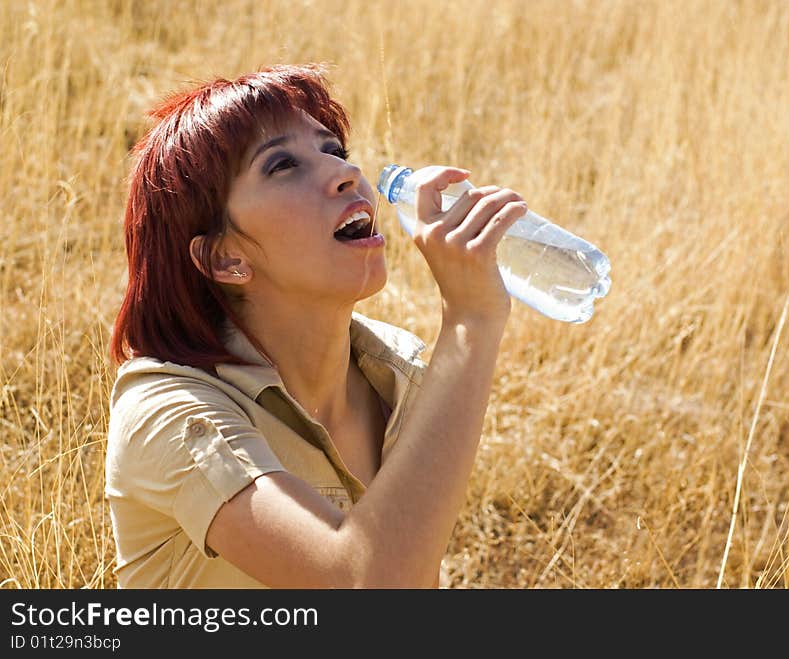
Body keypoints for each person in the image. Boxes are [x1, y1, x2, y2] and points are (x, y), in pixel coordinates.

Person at [105, 63, 528, 588]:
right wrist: (471, 320)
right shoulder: (169, 413)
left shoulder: (401, 372)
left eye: (333, 151)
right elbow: (362, 587)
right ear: (224, 259)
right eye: (282, 166)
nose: (345, 173)